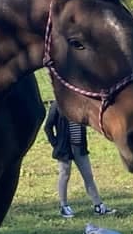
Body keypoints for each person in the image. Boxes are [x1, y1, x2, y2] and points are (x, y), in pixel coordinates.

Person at [43, 89, 112, 219]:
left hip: (79, 147)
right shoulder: (57, 105)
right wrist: (55, 143)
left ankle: (98, 206)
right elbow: (48, 127)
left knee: (88, 176)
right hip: (64, 148)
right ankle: (64, 206)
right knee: (64, 175)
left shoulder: (80, 105)